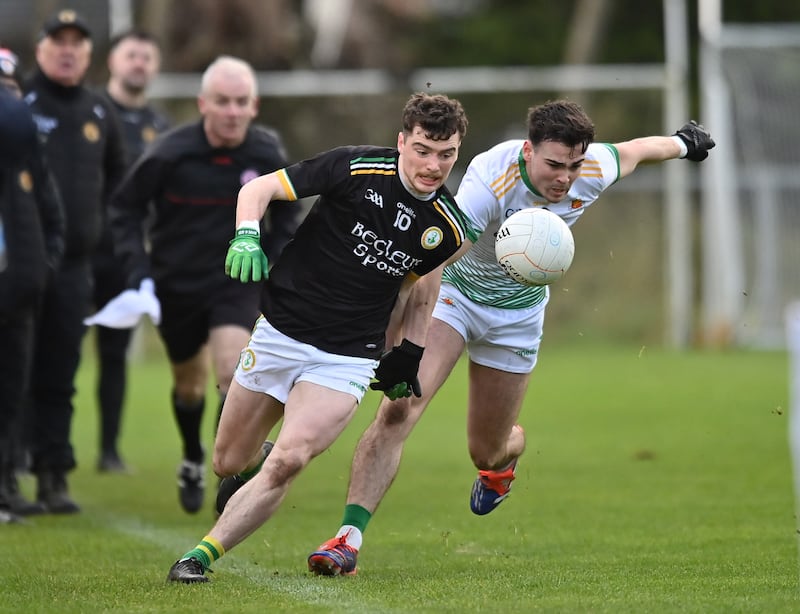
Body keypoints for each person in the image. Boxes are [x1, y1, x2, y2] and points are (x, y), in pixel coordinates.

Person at [307, 100, 716, 576]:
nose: (565, 177)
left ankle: (502, 465)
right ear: (528, 151)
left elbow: (637, 150)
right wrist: (404, 342)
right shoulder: (490, 180)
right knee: (399, 408)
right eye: (553, 165)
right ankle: (347, 540)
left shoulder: (591, 169)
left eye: (573, 165)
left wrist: (685, 144)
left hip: (518, 318)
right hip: (455, 297)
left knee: (487, 448)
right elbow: (435, 261)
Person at [165, 91, 474, 583]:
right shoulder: (353, 168)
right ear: (401, 142)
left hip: (345, 358)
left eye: (446, 154)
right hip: (281, 332)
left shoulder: (449, 227)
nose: (433, 165)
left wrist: (408, 354)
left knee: (290, 460)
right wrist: (246, 234)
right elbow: (258, 190)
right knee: (227, 461)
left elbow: (418, 291)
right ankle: (254, 461)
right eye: (422, 149)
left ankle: (198, 558)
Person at [106, 55, 299, 514]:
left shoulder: (265, 154)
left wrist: (272, 258)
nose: (232, 111)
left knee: (231, 372)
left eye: (241, 102)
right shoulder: (169, 153)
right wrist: (137, 271)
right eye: (222, 102)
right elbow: (124, 209)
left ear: (254, 106)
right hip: (177, 283)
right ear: (202, 104)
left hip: (236, 283)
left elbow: (290, 212)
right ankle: (192, 455)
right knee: (188, 387)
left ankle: (228, 470)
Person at [22, 9, 127, 514]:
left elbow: (119, 183)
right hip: (20, 262)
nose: (67, 50)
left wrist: (107, 238)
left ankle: (52, 474)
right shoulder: (18, 103)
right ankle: (10, 470)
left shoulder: (99, 111)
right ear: (39, 49)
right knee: (17, 368)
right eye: (57, 41)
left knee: (62, 371)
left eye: (76, 43)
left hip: (75, 268)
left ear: (88, 54)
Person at [91, 28, 170, 474]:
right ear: (112, 61)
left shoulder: (159, 127)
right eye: (131, 55)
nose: (139, 63)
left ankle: (109, 450)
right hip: (80, 253)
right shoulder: (91, 112)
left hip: (125, 259)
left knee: (113, 354)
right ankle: (29, 449)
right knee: (50, 353)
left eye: (146, 56)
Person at [0, 55, 65, 523]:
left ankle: (5, 483)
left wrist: (42, 266)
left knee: (11, 393)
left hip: (18, 292)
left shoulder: (25, 150)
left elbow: (51, 214)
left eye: (8, 84)